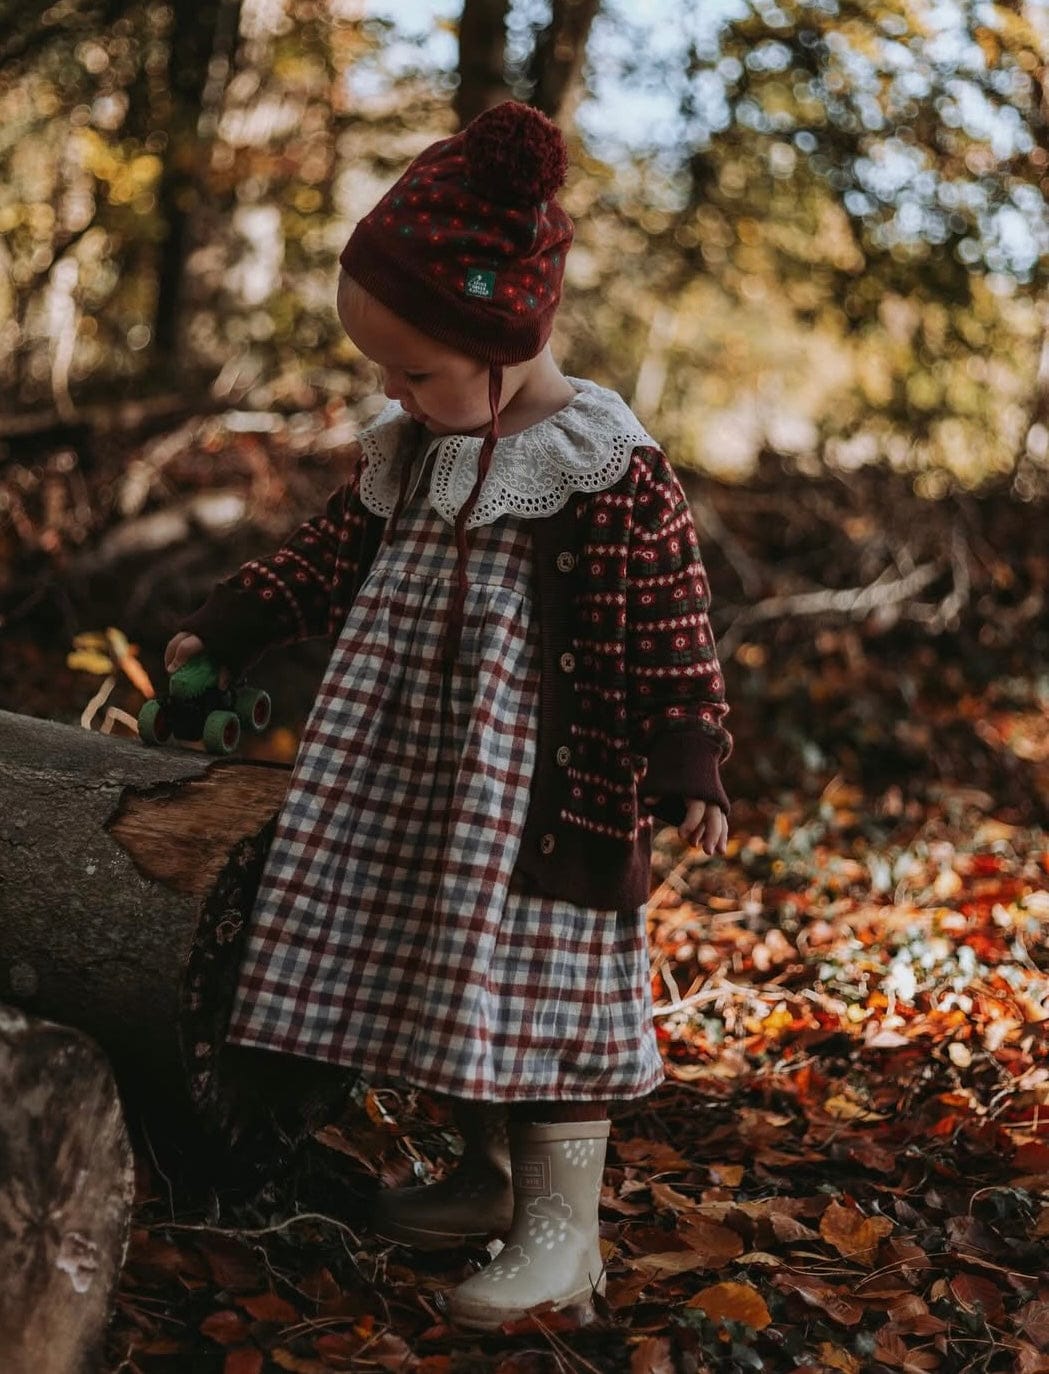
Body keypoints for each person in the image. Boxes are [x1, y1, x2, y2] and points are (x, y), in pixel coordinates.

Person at [164, 100, 731, 1331]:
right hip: (410, 785)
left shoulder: (606, 470)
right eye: (382, 369)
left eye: (413, 369)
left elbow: (669, 626)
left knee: (538, 993)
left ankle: (559, 1233)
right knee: (445, 975)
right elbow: (323, 557)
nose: (393, 391)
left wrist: (687, 758)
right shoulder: (413, 451)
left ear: (507, 339)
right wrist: (230, 623)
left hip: (537, 801)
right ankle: (483, 1183)